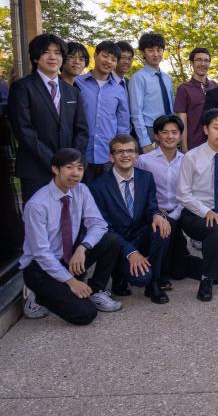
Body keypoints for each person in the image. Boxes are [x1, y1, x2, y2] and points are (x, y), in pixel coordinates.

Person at [21, 148, 122, 325]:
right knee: (85, 314)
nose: (75, 173)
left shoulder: (81, 190)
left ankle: (96, 290)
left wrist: (83, 248)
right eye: (69, 167)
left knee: (111, 240)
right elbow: (41, 252)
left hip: (69, 257)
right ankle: (38, 296)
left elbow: (98, 224)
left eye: (80, 168)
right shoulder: (37, 205)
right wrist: (71, 282)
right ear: (55, 169)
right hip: (40, 267)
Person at [89, 134, 172, 304]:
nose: (125, 155)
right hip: (117, 245)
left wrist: (157, 215)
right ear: (111, 157)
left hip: (140, 236)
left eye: (129, 151)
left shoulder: (146, 178)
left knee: (163, 227)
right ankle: (119, 273)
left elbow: (151, 208)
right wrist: (130, 252)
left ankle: (154, 284)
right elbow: (105, 228)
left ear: (137, 156)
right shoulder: (98, 187)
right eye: (119, 152)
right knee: (141, 278)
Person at [8, 33, 88, 204]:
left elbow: (81, 130)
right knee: (38, 222)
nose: (53, 57)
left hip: (68, 171)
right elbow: (24, 131)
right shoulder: (22, 88)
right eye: (46, 52)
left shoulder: (72, 91)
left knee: (66, 220)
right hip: (35, 169)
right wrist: (54, 162)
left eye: (58, 53)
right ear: (36, 57)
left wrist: (72, 162)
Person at [177, 108, 218, 301]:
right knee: (217, 230)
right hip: (194, 215)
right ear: (206, 129)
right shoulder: (191, 157)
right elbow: (183, 193)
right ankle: (205, 280)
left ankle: (192, 263)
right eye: (217, 128)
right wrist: (206, 212)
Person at [135, 114, 189, 288]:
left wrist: (173, 215)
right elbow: (139, 193)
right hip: (152, 214)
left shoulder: (187, 161)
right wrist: (157, 214)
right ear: (156, 136)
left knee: (180, 272)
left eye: (174, 132)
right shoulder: (144, 161)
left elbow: (188, 193)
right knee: (163, 230)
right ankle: (158, 278)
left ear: (180, 136)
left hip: (178, 213)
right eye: (164, 132)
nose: (170, 136)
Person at [76, 40, 130, 183]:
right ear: (95, 55)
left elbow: (123, 125)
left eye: (113, 59)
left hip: (107, 156)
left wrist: (120, 152)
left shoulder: (119, 90)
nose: (109, 61)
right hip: (81, 153)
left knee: (106, 198)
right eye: (105, 56)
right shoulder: (77, 83)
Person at [128, 32, 174, 154]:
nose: (155, 54)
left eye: (159, 50)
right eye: (150, 50)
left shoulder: (167, 78)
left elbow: (172, 107)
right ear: (143, 53)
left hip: (168, 131)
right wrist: (145, 142)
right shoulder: (138, 78)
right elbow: (136, 112)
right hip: (149, 131)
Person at [174, 47, 218, 152]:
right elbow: (182, 121)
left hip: (214, 144)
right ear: (191, 63)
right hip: (193, 145)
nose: (203, 64)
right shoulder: (183, 89)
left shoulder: (215, 86)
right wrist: (184, 148)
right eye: (199, 60)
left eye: (206, 60)